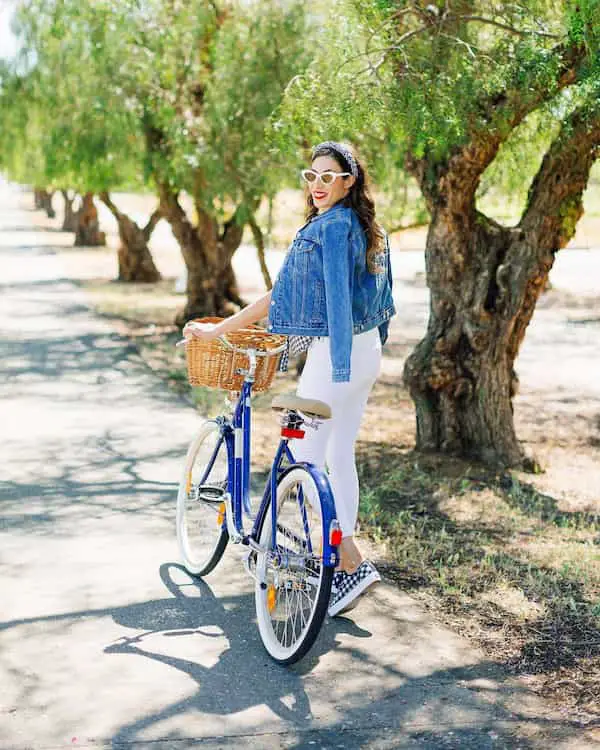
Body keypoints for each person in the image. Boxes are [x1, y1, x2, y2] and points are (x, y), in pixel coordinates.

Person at [183, 141, 396, 616]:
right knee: (339, 455)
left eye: (329, 176)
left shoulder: (332, 228)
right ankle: (343, 567)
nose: (318, 185)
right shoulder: (362, 226)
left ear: (350, 180)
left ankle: (348, 561)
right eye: (311, 176)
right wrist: (360, 354)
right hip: (366, 352)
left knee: (304, 457)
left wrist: (219, 330)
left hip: (337, 355)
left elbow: (318, 300)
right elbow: (379, 298)